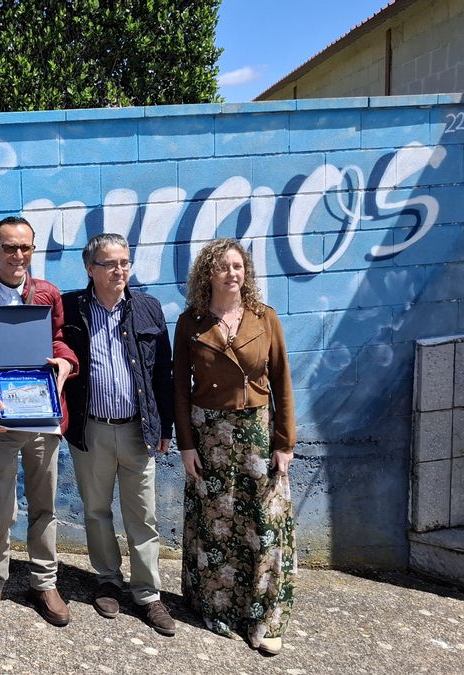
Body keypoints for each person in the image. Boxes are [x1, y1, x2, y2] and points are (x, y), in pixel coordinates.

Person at [173, 237, 297, 656]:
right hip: (209, 436)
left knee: (263, 524)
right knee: (217, 526)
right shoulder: (190, 322)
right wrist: (186, 445)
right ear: (207, 273)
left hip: (257, 436)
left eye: (238, 266)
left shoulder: (265, 318)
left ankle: (264, 616)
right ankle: (218, 605)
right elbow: (179, 389)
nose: (232, 273)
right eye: (223, 266)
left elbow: (281, 381)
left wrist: (285, 442)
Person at [0, 216, 78, 628]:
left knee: (44, 507)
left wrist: (65, 361)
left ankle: (44, 582)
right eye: (9, 247)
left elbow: (58, 340)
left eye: (25, 247)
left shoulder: (48, 294)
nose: (18, 255)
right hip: (1, 420)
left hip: (43, 418)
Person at [60, 233, 177, 637]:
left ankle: (147, 593)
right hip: (91, 427)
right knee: (96, 509)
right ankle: (108, 579)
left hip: (136, 430)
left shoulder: (147, 307)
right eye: (109, 263)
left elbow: (163, 371)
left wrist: (165, 425)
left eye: (124, 262)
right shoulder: (70, 308)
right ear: (89, 268)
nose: (119, 270)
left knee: (142, 514)